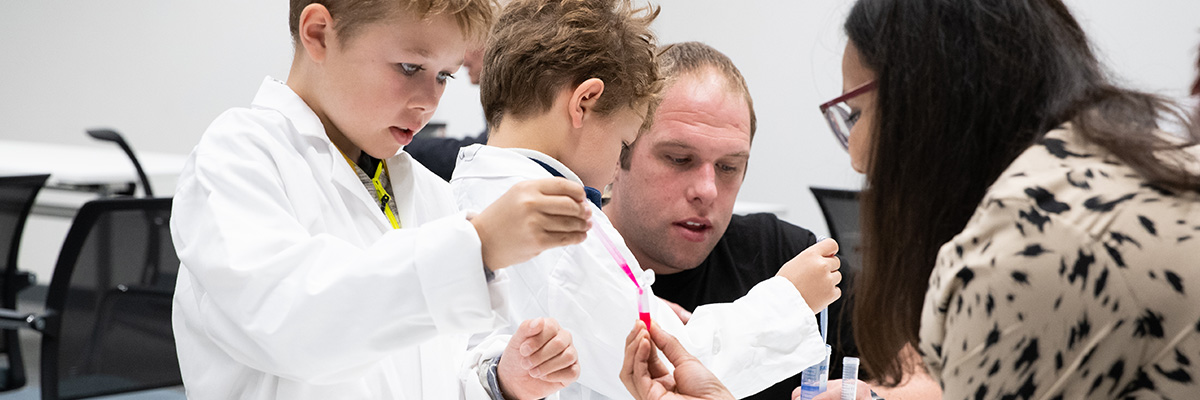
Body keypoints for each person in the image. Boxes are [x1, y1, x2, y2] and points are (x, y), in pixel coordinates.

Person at [170, 1, 594, 398]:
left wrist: (501, 380)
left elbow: (435, 365)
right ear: (318, 34)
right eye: (410, 67)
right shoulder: (237, 158)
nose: (429, 102)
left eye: (444, 76)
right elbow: (291, 325)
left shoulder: (426, 190)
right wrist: (478, 246)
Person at [451, 0, 843, 398]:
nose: (615, 164)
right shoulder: (555, 223)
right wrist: (790, 300)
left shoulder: (464, 195)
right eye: (624, 141)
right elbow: (675, 369)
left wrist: (636, 305)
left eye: (728, 166)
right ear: (584, 103)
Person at [834, 0, 1200, 398]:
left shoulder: (1033, 243)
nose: (856, 158)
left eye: (856, 113)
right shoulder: (1120, 166)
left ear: (928, 103)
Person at [603, 41, 853, 400]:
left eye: (728, 167)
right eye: (679, 159)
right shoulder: (571, 267)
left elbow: (915, 373)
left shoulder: (786, 256)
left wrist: (873, 395)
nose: (707, 190)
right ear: (616, 153)